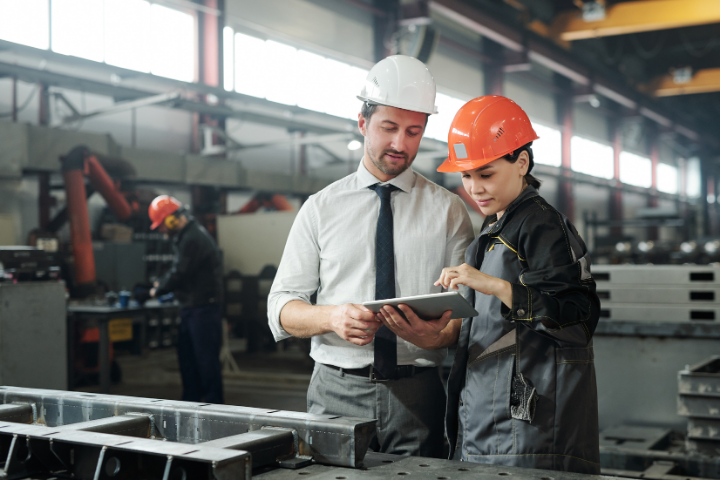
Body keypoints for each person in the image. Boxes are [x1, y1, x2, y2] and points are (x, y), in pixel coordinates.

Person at [377, 95, 601, 473]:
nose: (474, 188)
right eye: (466, 176)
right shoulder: (498, 226)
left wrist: (495, 286)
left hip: (533, 431)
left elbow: (577, 320)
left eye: (486, 174)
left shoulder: (541, 226)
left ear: (522, 163)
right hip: (494, 425)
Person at [267, 55, 474, 457]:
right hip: (335, 392)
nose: (400, 144)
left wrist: (439, 336)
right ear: (363, 123)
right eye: (389, 127)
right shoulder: (321, 208)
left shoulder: (448, 210)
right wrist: (332, 317)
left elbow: (466, 314)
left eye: (414, 131)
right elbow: (280, 307)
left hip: (419, 393)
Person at [148, 195, 224, 404]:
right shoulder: (187, 236)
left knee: (206, 363)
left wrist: (158, 290)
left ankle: (214, 408)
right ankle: (192, 404)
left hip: (203, 309)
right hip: (193, 307)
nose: (163, 230)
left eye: (163, 225)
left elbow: (180, 272)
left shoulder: (192, 238)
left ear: (172, 219)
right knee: (189, 360)